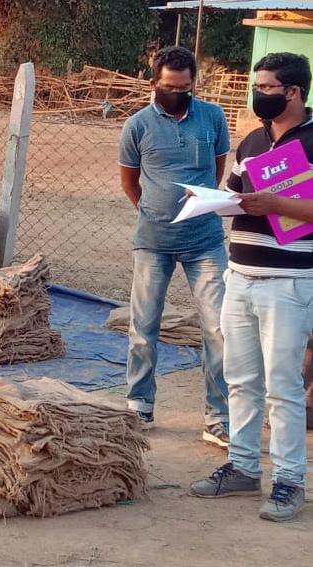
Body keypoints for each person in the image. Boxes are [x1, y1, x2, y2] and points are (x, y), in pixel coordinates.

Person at [190, 52, 313, 522]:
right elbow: (236, 193)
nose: (258, 94)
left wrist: (275, 203)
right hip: (239, 275)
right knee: (240, 379)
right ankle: (243, 466)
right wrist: (216, 201)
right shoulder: (254, 140)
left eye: (266, 87)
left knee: (282, 386)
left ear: (294, 92)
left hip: (289, 282)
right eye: (256, 86)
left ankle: (289, 480)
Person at [118, 46, 231, 444]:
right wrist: (153, 211)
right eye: (169, 87)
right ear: (154, 83)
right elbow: (129, 180)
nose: (177, 94)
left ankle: (218, 417)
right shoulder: (137, 125)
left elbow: (216, 170)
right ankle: (139, 404)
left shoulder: (213, 117)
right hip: (153, 242)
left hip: (206, 241)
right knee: (143, 326)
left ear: (192, 84)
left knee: (219, 328)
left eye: (185, 88)